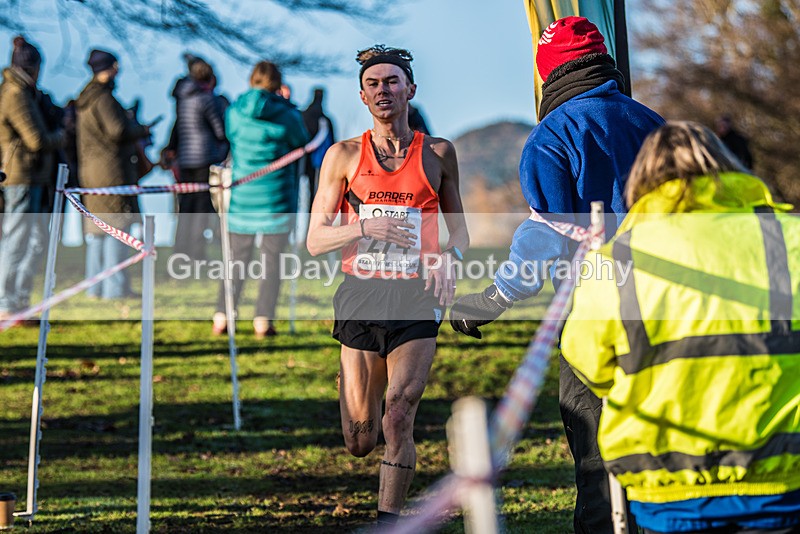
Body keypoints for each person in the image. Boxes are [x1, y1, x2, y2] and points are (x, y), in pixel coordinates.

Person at [448, 16, 664, 534]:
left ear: (548, 75)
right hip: (668, 304)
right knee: (661, 440)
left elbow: (546, 234)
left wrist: (494, 299)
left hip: (593, 312)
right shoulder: (654, 122)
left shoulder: (552, 135)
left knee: (594, 451)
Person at [561, 121, 800, 534]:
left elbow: (588, 363)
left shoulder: (613, 260)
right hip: (784, 476)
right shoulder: (789, 237)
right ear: (730, 169)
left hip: (667, 486)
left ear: (642, 182)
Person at [306, 44, 468, 526]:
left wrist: (446, 257)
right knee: (360, 439)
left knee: (399, 410)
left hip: (416, 296)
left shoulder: (439, 154)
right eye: (374, 83)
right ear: (362, 95)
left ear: (410, 90)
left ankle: (388, 520)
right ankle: (353, 382)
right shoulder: (342, 156)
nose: (384, 90)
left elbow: (459, 230)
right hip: (360, 296)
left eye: (392, 81)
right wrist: (363, 228)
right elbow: (315, 239)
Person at [211, 61, 308, 338]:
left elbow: (230, 137)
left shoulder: (234, 112)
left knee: (235, 261)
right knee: (272, 262)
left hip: (242, 197)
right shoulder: (287, 116)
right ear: (278, 84)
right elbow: (301, 140)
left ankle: (222, 315)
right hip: (277, 198)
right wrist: (288, 105)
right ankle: (263, 320)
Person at [76, 49, 151, 300]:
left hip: (91, 170)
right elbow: (117, 130)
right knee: (117, 227)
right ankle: (115, 289)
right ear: (110, 67)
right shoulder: (104, 98)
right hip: (111, 172)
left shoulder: (86, 98)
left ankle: (94, 289)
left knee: (98, 230)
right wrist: (139, 128)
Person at [0, 36, 64, 320]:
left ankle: (19, 299)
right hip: (20, 177)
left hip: (34, 176)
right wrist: (62, 135)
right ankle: (5, 300)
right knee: (17, 239)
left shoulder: (25, 93)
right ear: (34, 67)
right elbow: (36, 140)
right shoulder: (15, 94)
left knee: (37, 240)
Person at [163, 54, 228, 261]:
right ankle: (197, 253)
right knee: (201, 209)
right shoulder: (208, 100)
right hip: (204, 158)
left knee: (185, 208)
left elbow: (178, 128)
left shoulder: (183, 100)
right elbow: (220, 131)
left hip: (185, 160)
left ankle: (181, 251)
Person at [301, 87, 335, 197]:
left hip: (302, 159)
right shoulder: (325, 120)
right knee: (315, 190)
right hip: (317, 162)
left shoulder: (301, 116)